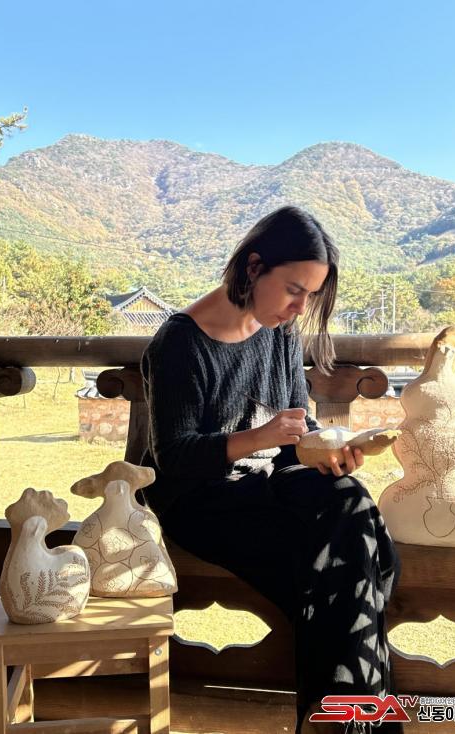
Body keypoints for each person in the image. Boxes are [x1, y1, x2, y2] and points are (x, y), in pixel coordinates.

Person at [141, 206, 402, 733]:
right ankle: (353, 721)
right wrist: (258, 438)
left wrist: (328, 451)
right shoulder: (181, 342)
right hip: (200, 499)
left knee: (350, 500)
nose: (300, 307)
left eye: (310, 295)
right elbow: (174, 455)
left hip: (269, 481)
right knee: (345, 570)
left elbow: (296, 430)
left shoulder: (279, 333)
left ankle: (333, 719)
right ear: (254, 267)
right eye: (293, 290)